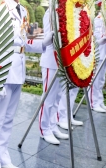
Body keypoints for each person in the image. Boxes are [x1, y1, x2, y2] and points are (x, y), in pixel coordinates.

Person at [0, 0, 53, 168]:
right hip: (2, 72)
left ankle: (3, 157)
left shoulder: (22, 10)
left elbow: (24, 42)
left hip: (18, 70)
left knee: (7, 121)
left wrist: (49, 40)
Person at [38, 8, 69, 145]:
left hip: (62, 60)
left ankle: (52, 125)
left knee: (57, 98)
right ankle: (44, 129)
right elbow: (51, 36)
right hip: (51, 60)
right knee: (48, 99)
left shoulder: (66, 9)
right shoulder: (51, 11)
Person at [90, 7, 106, 113]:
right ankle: (93, 103)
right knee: (96, 79)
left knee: (101, 80)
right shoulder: (99, 18)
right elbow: (97, 36)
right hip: (99, 52)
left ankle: (99, 101)